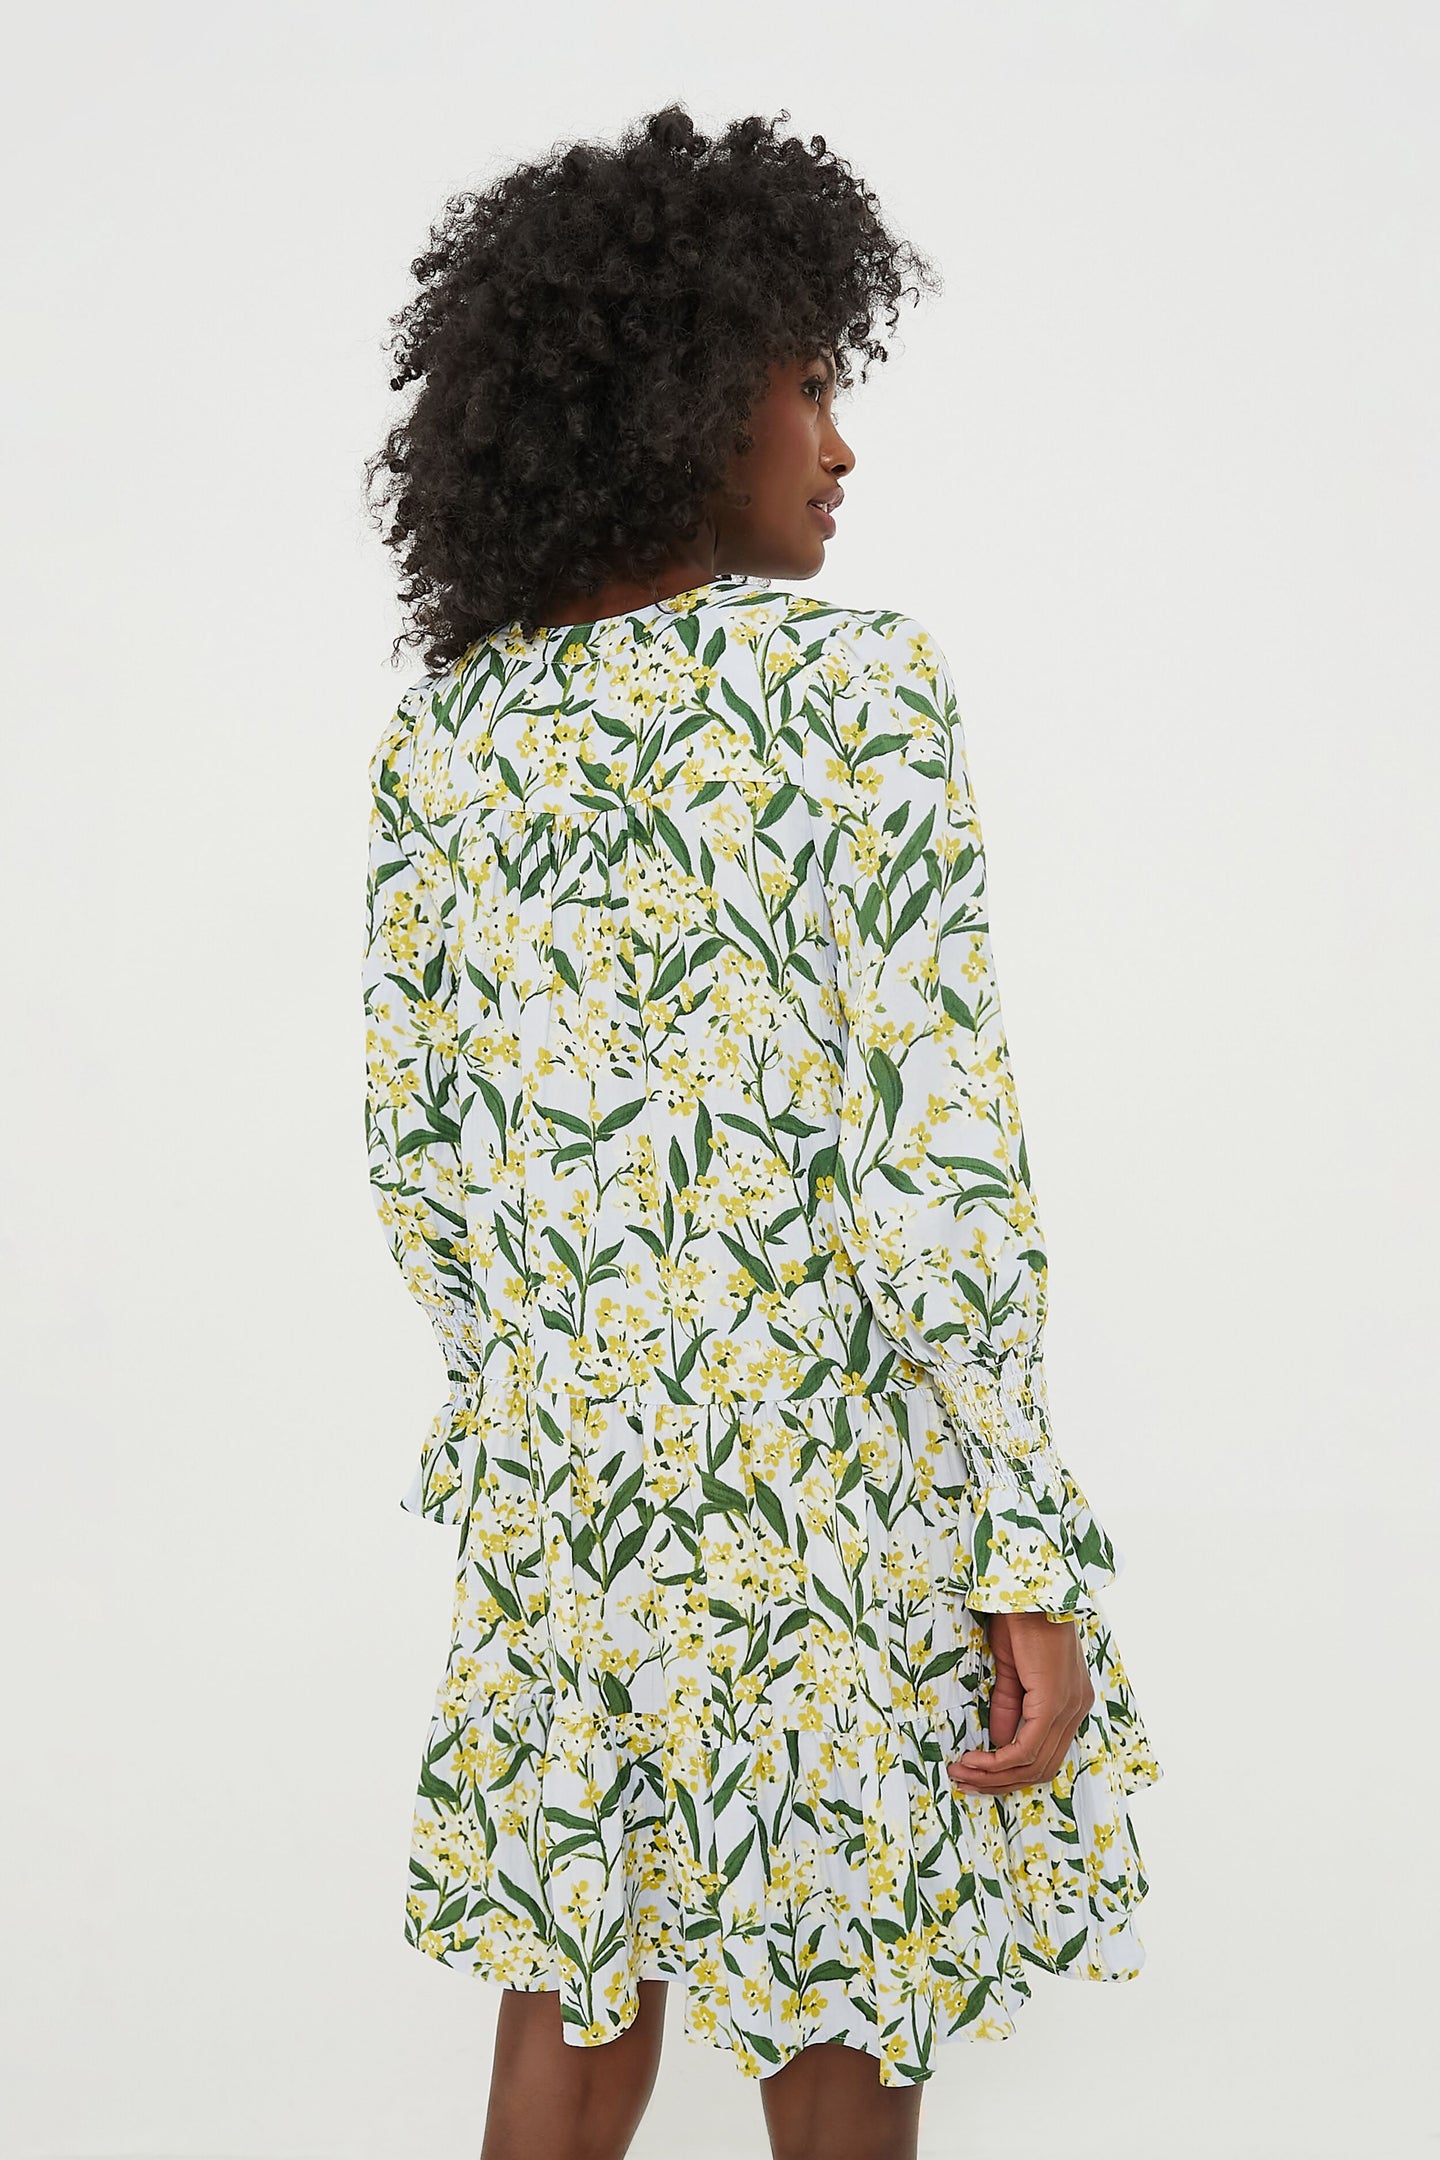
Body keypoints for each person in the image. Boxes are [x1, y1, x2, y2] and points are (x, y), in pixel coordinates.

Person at [360, 102, 1161, 2160]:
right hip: (818, 1490)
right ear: (687, 395)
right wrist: (1016, 1548)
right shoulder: (856, 693)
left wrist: (552, 1427)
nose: (840, 441)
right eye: (809, 383)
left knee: (573, 1988)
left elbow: (422, 1167)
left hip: (568, 1487)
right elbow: (934, 1154)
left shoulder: (447, 737)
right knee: (842, 1994)